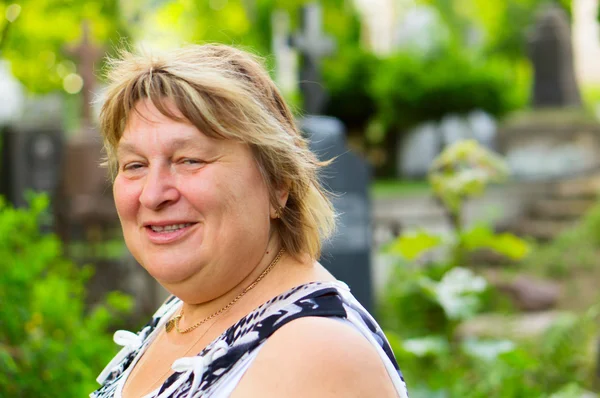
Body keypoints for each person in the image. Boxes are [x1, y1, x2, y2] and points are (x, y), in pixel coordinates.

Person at [91, 44, 409, 398]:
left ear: (278, 184)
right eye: (135, 165)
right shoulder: (186, 310)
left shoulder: (316, 353)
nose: (152, 195)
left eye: (189, 160)